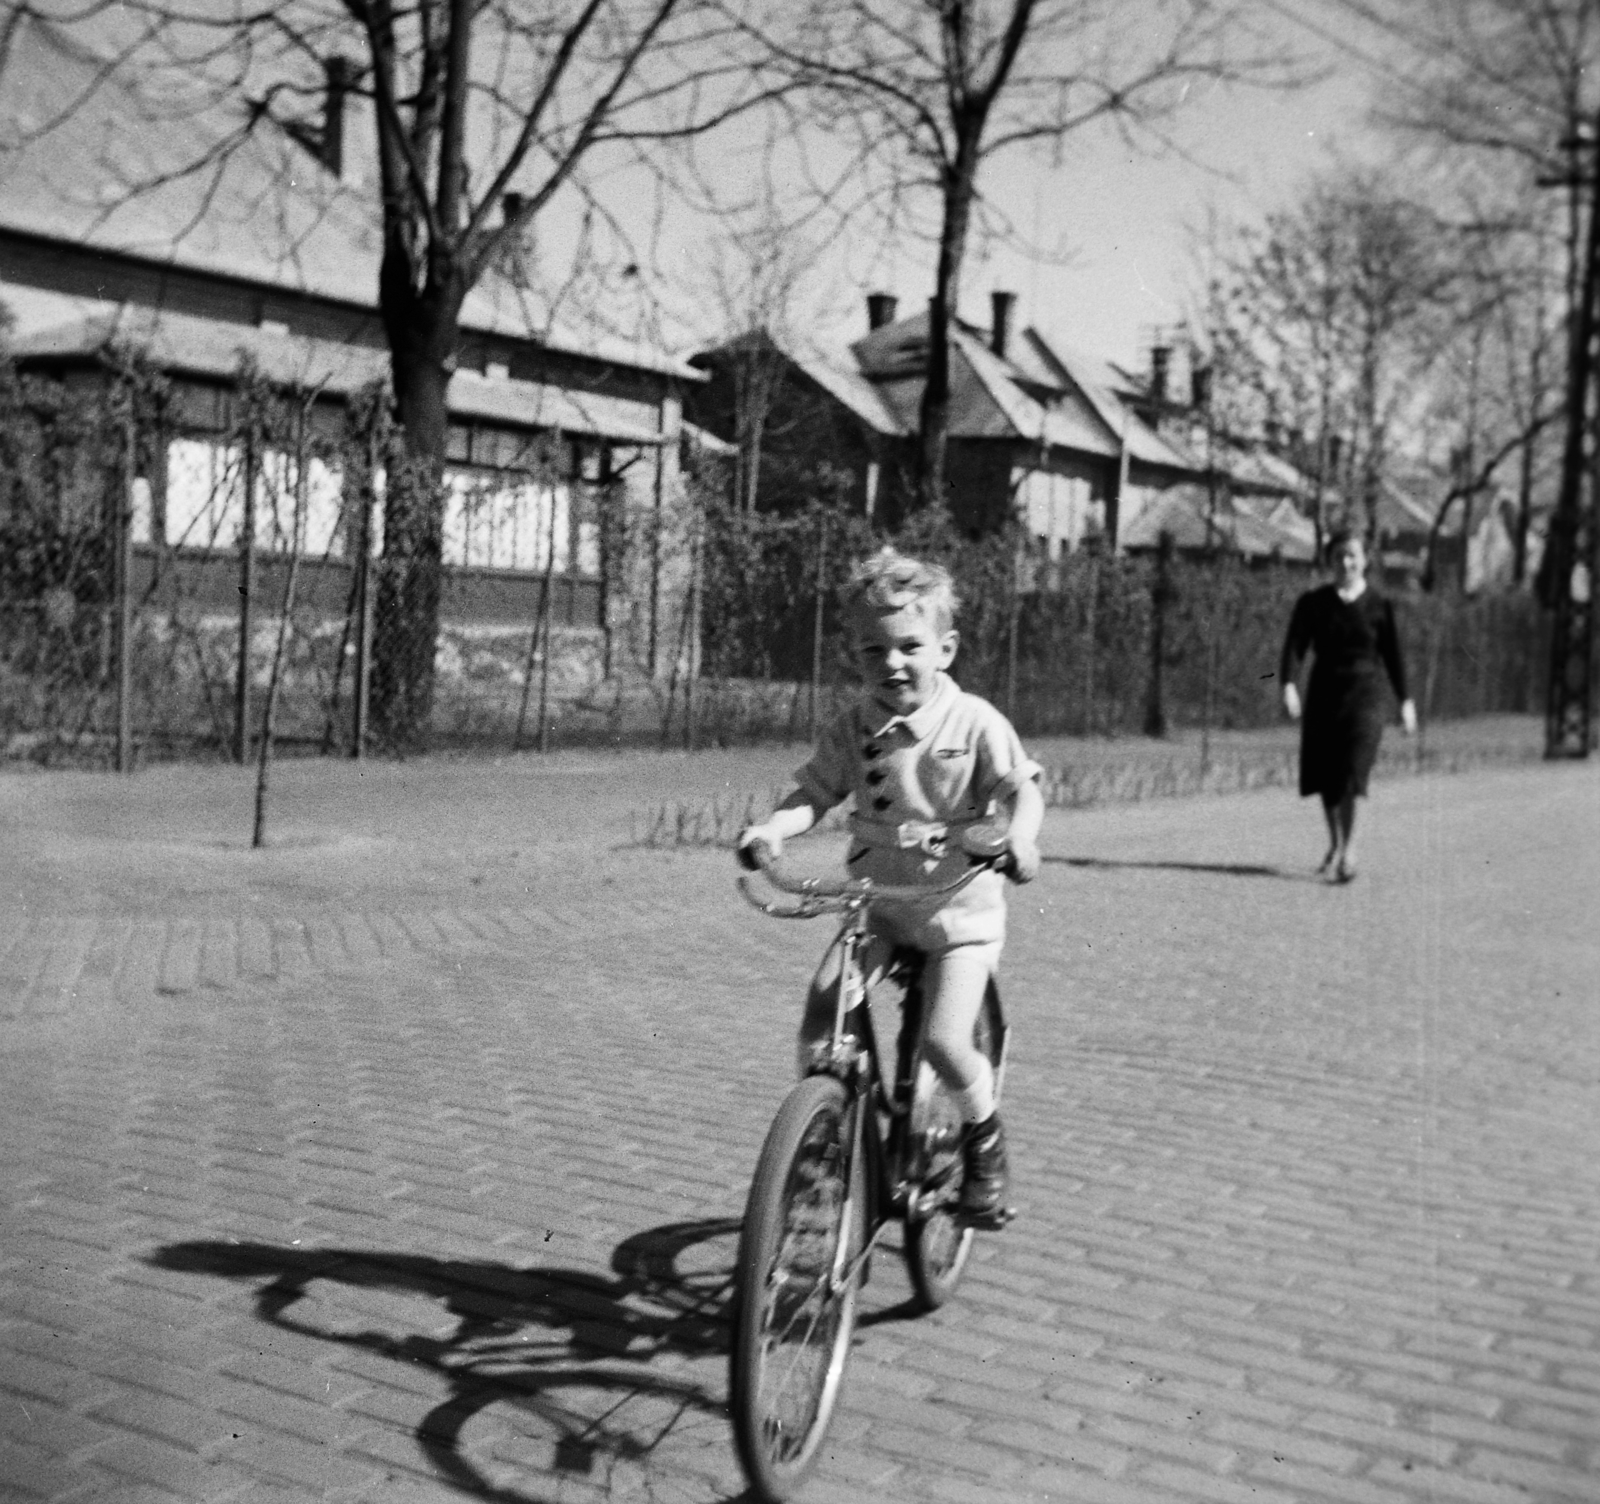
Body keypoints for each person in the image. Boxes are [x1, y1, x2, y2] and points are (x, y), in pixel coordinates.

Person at [737, 546, 1044, 1224]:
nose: (893, 664)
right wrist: (773, 830)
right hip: (877, 911)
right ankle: (822, 1141)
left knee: (943, 1039)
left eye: (910, 646)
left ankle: (984, 1139)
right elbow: (812, 793)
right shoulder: (854, 725)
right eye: (873, 651)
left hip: (959, 916)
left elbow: (1022, 791)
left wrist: (1021, 836)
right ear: (855, 654)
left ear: (946, 648)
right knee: (824, 1009)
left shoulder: (975, 723)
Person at [1280, 527, 1416, 883]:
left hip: (1367, 697)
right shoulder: (1313, 603)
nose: (1346, 562)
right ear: (1329, 560)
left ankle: (1350, 850)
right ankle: (1336, 844)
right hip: (1324, 693)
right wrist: (1288, 684)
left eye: (1352, 555)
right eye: (1339, 555)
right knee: (1327, 777)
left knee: (1353, 773)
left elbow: (1394, 656)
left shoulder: (1380, 606)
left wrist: (1406, 701)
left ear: (1365, 560)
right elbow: (1295, 647)